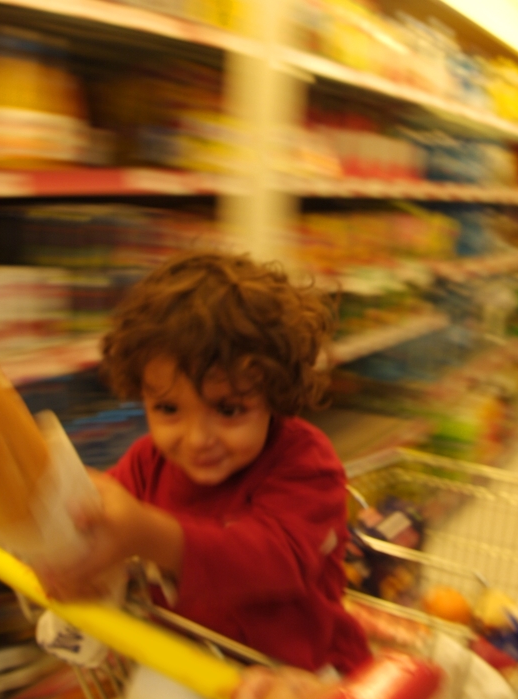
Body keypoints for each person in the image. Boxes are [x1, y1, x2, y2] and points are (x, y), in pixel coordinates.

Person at [40, 251, 372, 676]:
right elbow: (103, 525)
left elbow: (274, 561)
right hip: (190, 668)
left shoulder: (305, 463)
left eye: (229, 410)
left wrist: (146, 532)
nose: (197, 440)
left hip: (303, 672)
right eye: (168, 408)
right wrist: (66, 547)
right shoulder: (146, 461)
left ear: (274, 392)